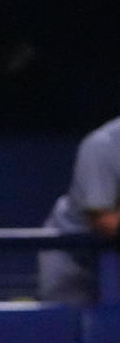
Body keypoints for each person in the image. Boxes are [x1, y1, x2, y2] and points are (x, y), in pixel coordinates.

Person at [39, 113, 120, 304]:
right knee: (66, 326)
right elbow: (103, 221)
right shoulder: (103, 145)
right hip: (74, 255)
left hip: (113, 254)